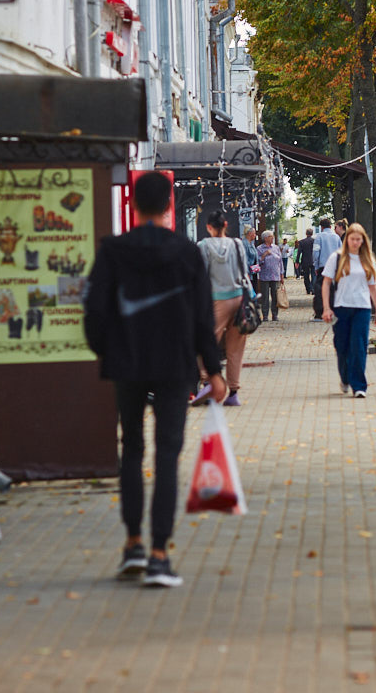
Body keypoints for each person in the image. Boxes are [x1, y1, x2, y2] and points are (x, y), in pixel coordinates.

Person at [83, 172, 225, 588]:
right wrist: (214, 372)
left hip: (126, 363)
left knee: (131, 449)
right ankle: (160, 555)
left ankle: (132, 545)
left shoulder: (112, 251)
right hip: (173, 366)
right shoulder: (186, 253)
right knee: (166, 455)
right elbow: (203, 317)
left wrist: (106, 351)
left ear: (132, 205)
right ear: (167, 207)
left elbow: (94, 312)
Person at [197, 210, 251, 407]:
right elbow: (244, 272)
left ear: (209, 227)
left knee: (207, 343)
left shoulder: (203, 246)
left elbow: (200, 277)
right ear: (226, 225)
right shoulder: (237, 245)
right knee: (236, 348)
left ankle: (207, 383)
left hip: (215, 301)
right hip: (239, 300)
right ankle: (233, 393)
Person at [322, 223, 376, 398]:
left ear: (363, 241)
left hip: (362, 308)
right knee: (342, 346)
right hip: (342, 307)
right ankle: (346, 377)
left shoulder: (368, 259)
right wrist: (326, 308)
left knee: (359, 346)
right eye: (352, 239)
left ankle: (359, 386)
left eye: (358, 239)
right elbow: (326, 283)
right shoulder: (337, 257)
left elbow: (373, 287)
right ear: (347, 240)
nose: (355, 242)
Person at [311, 217, 342, 320]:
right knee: (334, 289)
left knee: (320, 289)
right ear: (330, 226)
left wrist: (316, 265)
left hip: (323, 266)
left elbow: (316, 252)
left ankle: (320, 312)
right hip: (336, 267)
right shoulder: (336, 237)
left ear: (322, 227)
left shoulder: (319, 237)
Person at [256, 230, 284, 322]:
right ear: (265, 238)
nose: (273, 238)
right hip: (264, 276)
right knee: (265, 297)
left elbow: (280, 262)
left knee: (275, 296)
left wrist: (282, 275)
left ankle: (275, 315)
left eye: (272, 236)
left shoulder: (276, 248)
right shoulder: (259, 249)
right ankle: (265, 315)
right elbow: (257, 262)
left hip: (275, 276)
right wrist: (264, 255)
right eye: (271, 236)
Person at [296, 228, 316, 295]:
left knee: (306, 276)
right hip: (313, 260)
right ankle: (313, 289)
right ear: (312, 233)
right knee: (314, 275)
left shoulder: (302, 242)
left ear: (306, 233)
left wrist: (297, 262)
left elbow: (299, 252)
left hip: (305, 261)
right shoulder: (315, 241)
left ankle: (308, 289)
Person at [243, 226, 260, 291]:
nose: (255, 235)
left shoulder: (252, 244)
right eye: (254, 233)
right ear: (250, 233)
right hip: (248, 273)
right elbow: (244, 259)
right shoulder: (244, 244)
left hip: (254, 271)